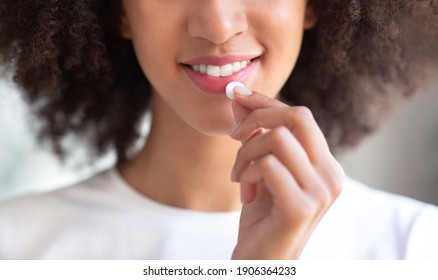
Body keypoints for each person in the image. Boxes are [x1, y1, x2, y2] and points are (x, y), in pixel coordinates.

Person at [0, 0, 437, 259]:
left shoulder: (415, 247)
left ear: (315, 5)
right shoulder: (15, 247)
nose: (217, 25)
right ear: (120, 11)